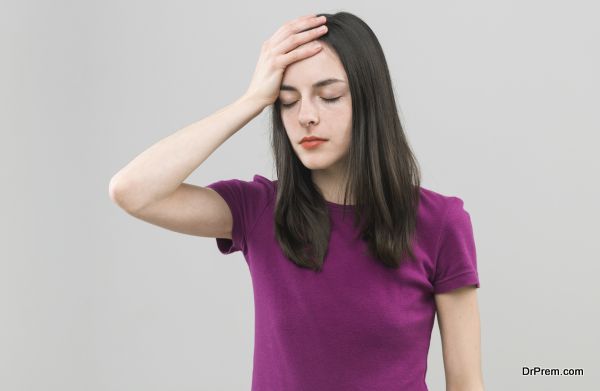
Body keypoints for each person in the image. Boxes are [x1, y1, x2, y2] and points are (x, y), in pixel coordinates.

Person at [109, 11, 484, 391]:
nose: (306, 116)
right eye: (287, 102)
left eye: (329, 96)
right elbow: (132, 190)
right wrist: (252, 99)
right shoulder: (257, 210)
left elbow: (467, 383)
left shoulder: (440, 222)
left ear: (369, 101)